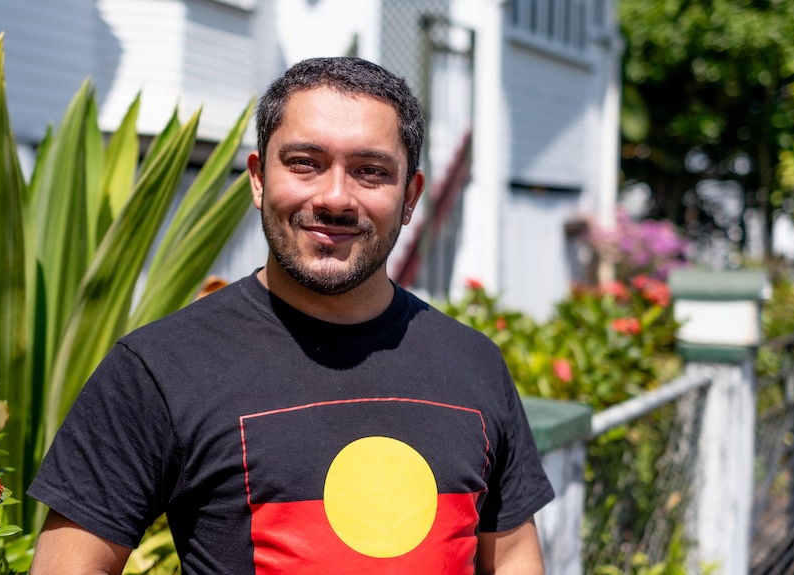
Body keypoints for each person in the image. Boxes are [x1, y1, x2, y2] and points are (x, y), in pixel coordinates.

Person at [28, 57, 554, 575]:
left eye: (370, 171)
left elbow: (511, 557)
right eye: (305, 162)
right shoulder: (158, 368)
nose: (334, 197)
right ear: (258, 178)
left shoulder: (473, 363)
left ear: (411, 196)